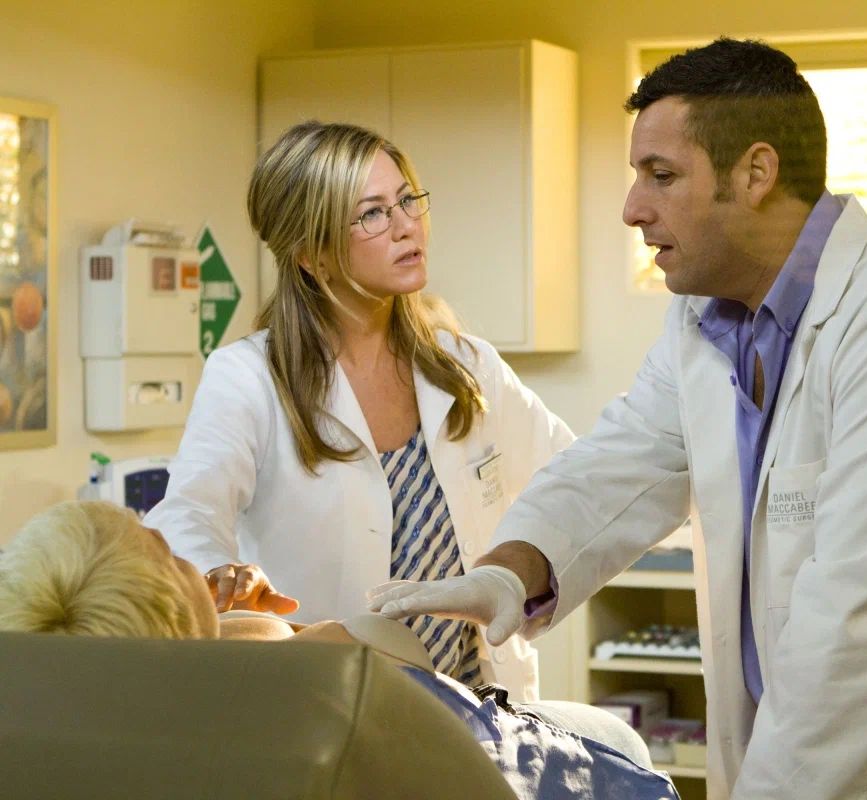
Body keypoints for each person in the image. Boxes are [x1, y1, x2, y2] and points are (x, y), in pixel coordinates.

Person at [369, 38, 867, 799]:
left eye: (661, 175)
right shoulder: (707, 319)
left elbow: (856, 631)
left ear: (756, 173)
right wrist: (511, 568)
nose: (633, 208)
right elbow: (624, 461)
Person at [143, 121, 574, 701]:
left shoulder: (467, 364)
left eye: (407, 200)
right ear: (312, 254)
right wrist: (219, 573)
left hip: (478, 705)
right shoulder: (249, 377)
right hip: (330, 704)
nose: (406, 226)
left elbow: (572, 477)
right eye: (372, 213)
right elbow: (187, 515)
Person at [0, 500, 677, 800]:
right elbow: (386, 651)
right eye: (167, 554)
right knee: (620, 741)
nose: (184, 556)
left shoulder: (67, 730)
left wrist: (215, 620)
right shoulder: (313, 672)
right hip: (488, 752)